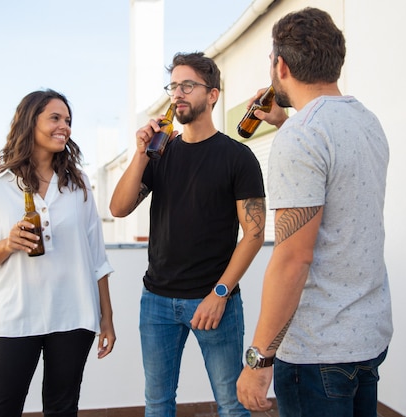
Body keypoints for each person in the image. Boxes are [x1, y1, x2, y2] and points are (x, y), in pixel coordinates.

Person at [236, 8, 393, 417]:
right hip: (366, 338)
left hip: (317, 352)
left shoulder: (302, 137)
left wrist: (258, 361)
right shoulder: (366, 121)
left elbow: (293, 259)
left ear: (281, 65)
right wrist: (286, 121)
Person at [110, 52, 266, 417]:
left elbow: (254, 235)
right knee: (157, 403)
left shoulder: (237, 157)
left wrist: (220, 293)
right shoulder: (159, 154)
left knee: (231, 404)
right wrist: (140, 154)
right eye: (173, 86)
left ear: (212, 94)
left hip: (214, 301)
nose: (178, 94)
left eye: (188, 86)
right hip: (157, 302)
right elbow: (118, 208)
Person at [0, 89, 115, 417]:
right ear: (30, 122)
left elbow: (96, 257)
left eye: (69, 121)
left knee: (62, 410)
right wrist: (7, 244)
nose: (65, 127)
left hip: (74, 314)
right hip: (16, 315)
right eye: (55, 118)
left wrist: (107, 317)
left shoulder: (78, 184)